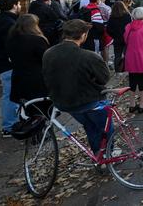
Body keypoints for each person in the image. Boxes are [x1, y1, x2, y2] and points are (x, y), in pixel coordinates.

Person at [42, 20, 112, 155]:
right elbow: (104, 78)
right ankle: (107, 153)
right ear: (83, 35)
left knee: (90, 125)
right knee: (106, 127)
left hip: (64, 102)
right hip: (90, 100)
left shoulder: (49, 53)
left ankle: (98, 152)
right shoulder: (88, 56)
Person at [0, 0, 21, 136]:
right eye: (18, 4)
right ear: (14, 5)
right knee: (10, 96)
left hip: (5, 63)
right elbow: (11, 45)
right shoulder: (8, 22)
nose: (20, 6)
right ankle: (9, 126)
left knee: (13, 95)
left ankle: (13, 123)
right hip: (8, 65)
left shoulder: (2, 19)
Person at [7, 14, 50, 106]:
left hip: (18, 77)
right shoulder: (37, 40)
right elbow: (45, 58)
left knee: (26, 108)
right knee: (39, 108)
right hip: (35, 79)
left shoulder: (12, 39)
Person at [106, 1, 132, 74]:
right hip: (126, 38)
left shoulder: (112, 17)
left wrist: (113, 35)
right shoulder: (127, 16)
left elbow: (108, 29)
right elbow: (130, 27)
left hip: (117, 38)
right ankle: (128, 68)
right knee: (127, 54)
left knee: (117, 55)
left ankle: (117, 70)